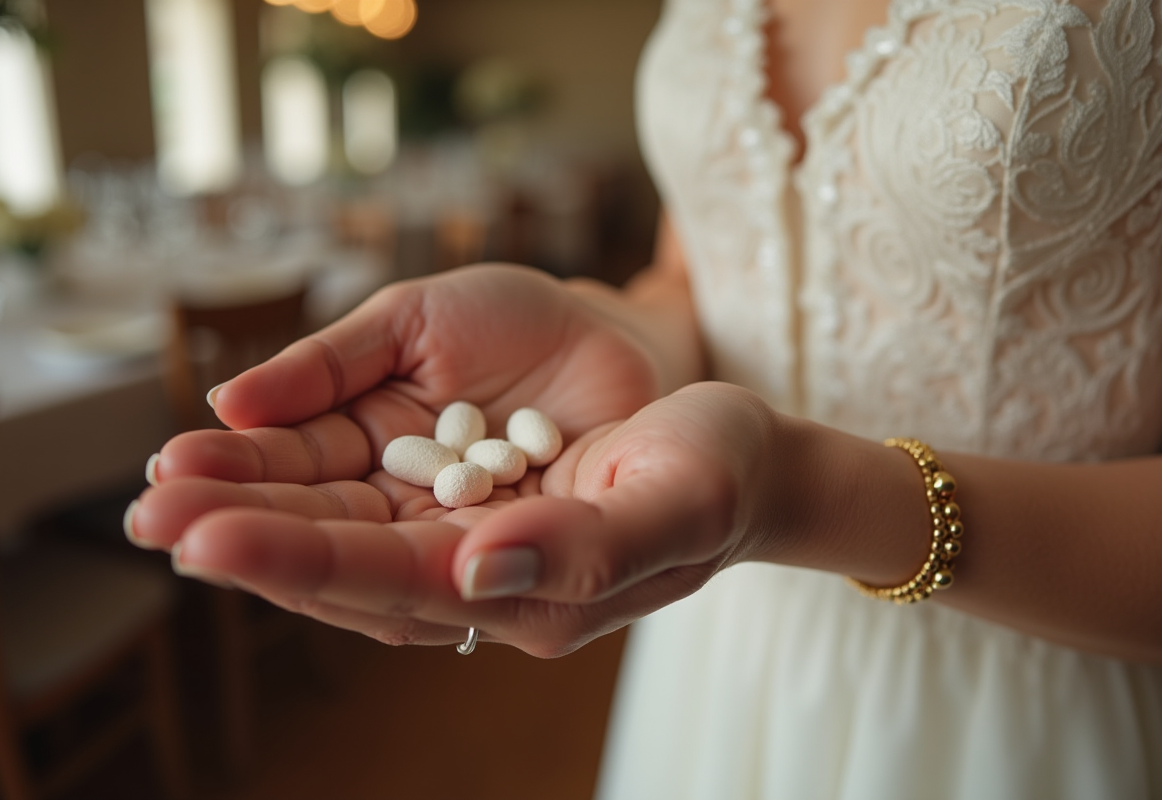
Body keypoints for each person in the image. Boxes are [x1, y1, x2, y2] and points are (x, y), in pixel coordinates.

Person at [125, 0, 1162, 795]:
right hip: (730, 634)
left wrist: (811, 493)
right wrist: (626, 329)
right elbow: (708, 262)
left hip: (1038, 669)